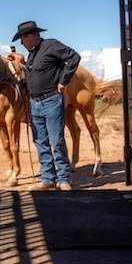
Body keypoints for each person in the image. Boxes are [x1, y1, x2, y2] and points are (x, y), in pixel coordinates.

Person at [12, 21, 81, 191]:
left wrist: (63, 81)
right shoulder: (32, 55)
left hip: (51, 101)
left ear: (31, 36)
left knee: (56, 141)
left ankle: (63, 178)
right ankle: (48, 179)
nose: (21, 43)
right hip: (34, 104)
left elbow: (74, 57)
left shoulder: (50, 45)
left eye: (22, 39)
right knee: (41, 142)